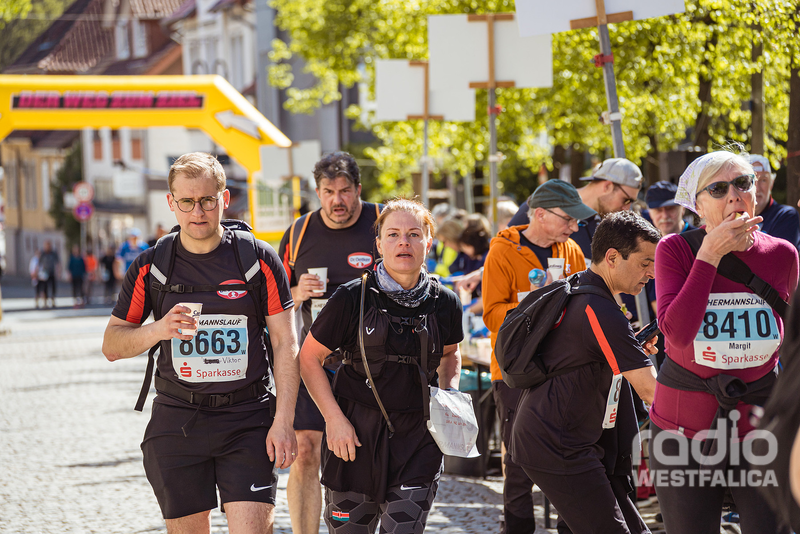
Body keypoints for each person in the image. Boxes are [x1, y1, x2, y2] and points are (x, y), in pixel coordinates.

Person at [102, 152, 300, 533]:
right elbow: (112, 344)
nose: (198, 211)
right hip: (178, 419)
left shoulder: (258, 260)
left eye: (208, 200)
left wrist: (284, 420)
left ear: (224, 199)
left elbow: (285, 343)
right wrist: (159, 329)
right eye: (187, 202)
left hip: (247, 417)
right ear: (171, 202)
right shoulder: (151, 266)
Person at [649, 149, 799, 534]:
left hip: (760, 427)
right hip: (682, 429)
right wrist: (710, 254)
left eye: (742, 183)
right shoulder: (674, 250)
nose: (734, 195)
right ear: (697, 205)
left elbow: (792, 337)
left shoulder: (783, 254)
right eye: (717, 189)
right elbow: (677, 334)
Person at [299, 198, 463, 534]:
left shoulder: (445, 302)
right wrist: (334, 420)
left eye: (414, 234)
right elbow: (308, 358)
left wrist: (450, 399)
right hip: (353, 438)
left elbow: (450, 354)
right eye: (394, 234)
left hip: (418, 441)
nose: (404, 242)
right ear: (379, 244)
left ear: (429, 242)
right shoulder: (351, 297)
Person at [509, 210, 660, 534]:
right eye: (645, 262)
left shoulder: (584, 289)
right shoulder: (599, 308)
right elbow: (651, 391)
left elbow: (579, 355)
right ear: (612, 257)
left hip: (571, 440)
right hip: (557, 443)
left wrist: (629, 348)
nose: (652, 272)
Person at [277, 152, 382, 534]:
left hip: (372, 363)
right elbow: (272, 300)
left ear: (358, 189)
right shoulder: (299, 232)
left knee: (364, 453)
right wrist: (297, 292)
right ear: (317, 192)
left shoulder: (383, 222)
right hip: (314, 361)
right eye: (328, 192)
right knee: (305, 450)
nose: (337, 200)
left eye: (344, 191)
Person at [482, 179, 592, 534]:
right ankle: (518, 528)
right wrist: (535, 303)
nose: (574, 226)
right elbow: (492, 316)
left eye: (576, 220)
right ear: (540, 214)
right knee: (517, 460)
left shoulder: (571, 250)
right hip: (515, 370)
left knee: (567, 454)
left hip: (563, 368)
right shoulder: (502, 251)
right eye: (567, 218)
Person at [507, 158, 643, 260]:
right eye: (626, 200)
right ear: (607, 186)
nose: (627, 208)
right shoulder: (544, 203)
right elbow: (505, 251)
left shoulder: (601, 224)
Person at [750, 154, 800, 249]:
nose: (757, 188)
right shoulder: (733, 216)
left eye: (763, 180)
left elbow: (782, 255)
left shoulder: (785, 216)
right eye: (751, 181)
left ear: (771, 183)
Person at [37, 240, 60, 309]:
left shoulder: (53, 253)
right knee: (44, 288)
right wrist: (38, 273)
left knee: (53, 287)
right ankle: (45, 302)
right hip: (44, 273)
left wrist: (58, 271)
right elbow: (39, 264)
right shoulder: (42, 253)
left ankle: (53, 300)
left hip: (52, 272)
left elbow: (57, 263)